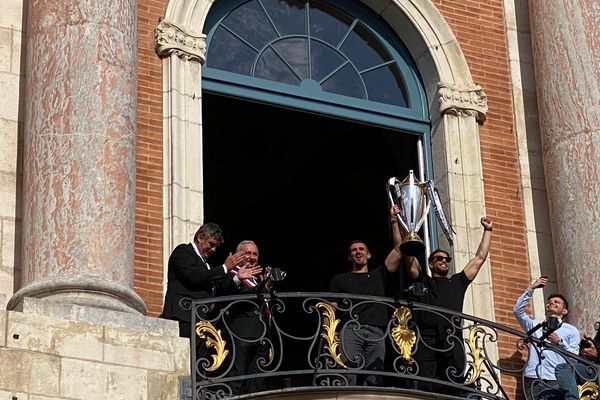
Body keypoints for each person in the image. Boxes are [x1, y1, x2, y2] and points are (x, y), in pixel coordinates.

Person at [399, 216, 493, 391]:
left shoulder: (456, 282)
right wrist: (401, 225)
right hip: (426, 339)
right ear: (430, 264)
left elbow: (480, 258)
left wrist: (488, 231)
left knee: (453, 385)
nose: (444, 261)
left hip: (452, 339)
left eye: (446, 259)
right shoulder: (422, 281)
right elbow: (407, 255)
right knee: (424, 385)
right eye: (439, 259)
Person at [328, 205, 407, 386]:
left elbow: (399, 248)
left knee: (374, 378)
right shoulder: (340, 279)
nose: (358, 252)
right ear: (349, 257)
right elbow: (330, 309)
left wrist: (394, 221)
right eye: (354, 250)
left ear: (369, 254)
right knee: (349, 376)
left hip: (377, 331)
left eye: (361, 249)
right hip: (350, 330)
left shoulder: (379, 274)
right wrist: (330, 334)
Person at [161, 222, 259, 339]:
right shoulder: (184, 251)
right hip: (184, 316)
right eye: (211, 244)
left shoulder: (208, 266)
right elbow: (194, 276)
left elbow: (219, 290)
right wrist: (224, 268)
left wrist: (237, 278)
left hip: (203, 322)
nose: (213, 249)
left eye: (216, 247)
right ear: (200, 237)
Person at [513, 277, 580, 400]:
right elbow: (518, 311)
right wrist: (531, 288)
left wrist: (559, 342)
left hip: (555, 378)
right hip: (534, 377)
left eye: (556, 302)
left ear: (564, 310)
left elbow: (575, 356)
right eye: (550, 302)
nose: (552, 303)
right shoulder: (535, 324)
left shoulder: (571, 331)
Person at [222, 240, 273, 396]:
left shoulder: (256, 278)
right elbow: (222, 293)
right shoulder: (231, 273)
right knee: (236, 379)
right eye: (247, 253)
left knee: (256, 383)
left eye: (255, 254)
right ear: (239, 255)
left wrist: (267, 285)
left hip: (262, 335)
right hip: (241, 334)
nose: (252, 257)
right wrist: (237, 278)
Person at [554, 323, 600, 400]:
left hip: (596, 371)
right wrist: (584, 351)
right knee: (546, 392)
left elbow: (596, 355)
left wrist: (597, 355)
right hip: (592, 370)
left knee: (563, 368)